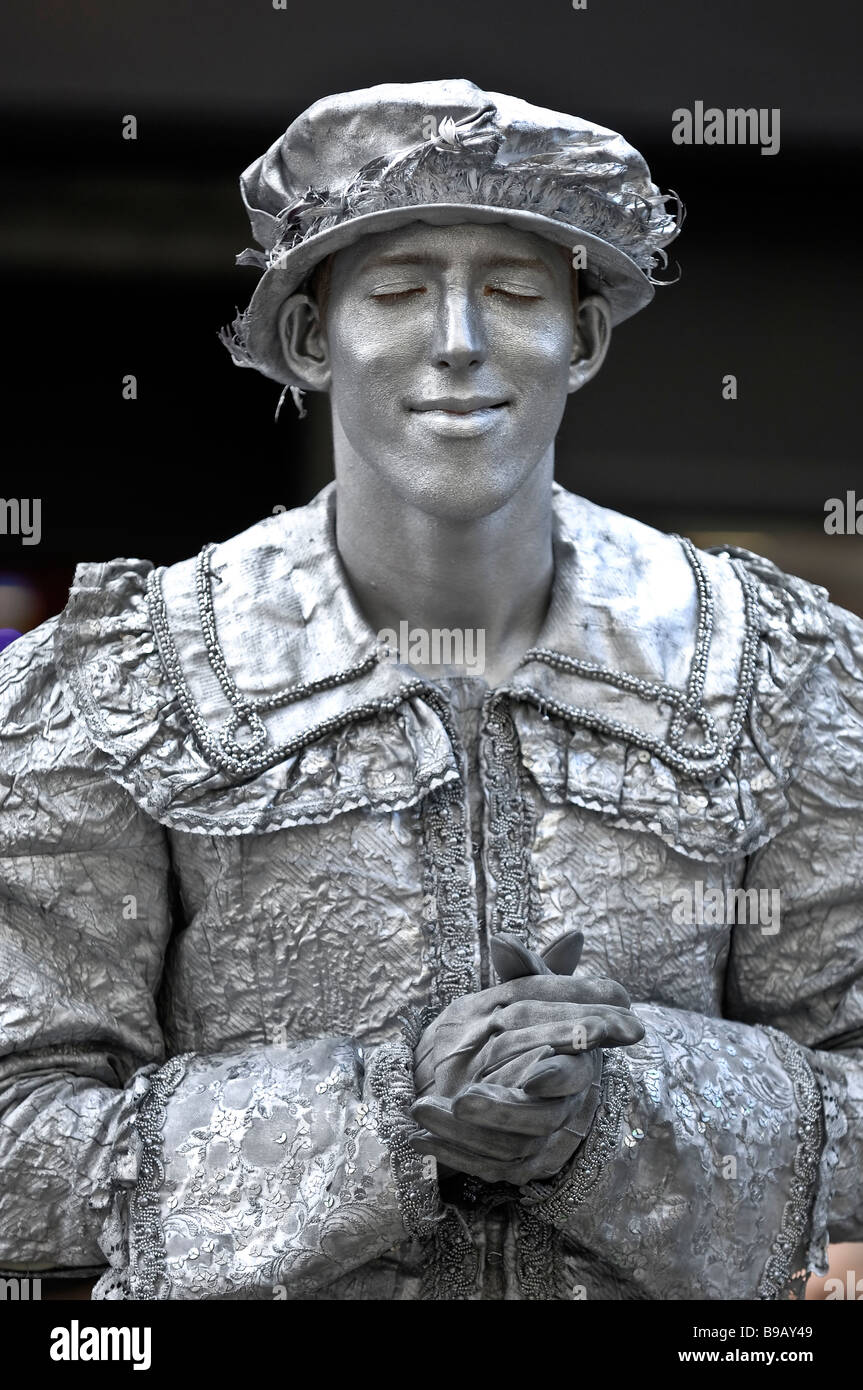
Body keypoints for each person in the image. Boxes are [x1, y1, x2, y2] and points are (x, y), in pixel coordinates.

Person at [0, 78, 860, 1302]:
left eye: (513, 293)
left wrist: (616, 1107)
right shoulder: (119, 681)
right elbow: (14, 1141)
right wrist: (390, 1112)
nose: (457, 338)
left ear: (584, 336)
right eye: (398, 291)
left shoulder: (775, 667)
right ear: (310, 337)